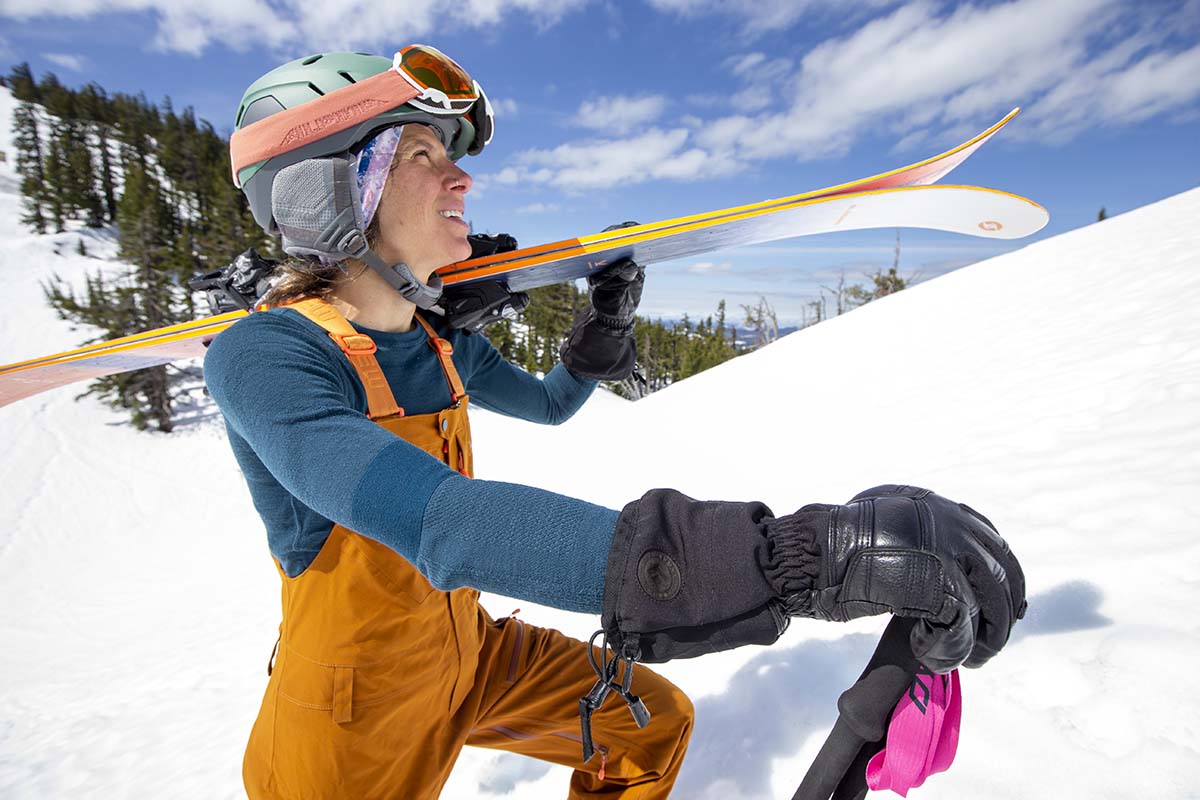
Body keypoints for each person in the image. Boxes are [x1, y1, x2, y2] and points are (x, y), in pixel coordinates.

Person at [208, 45, 1027, 800]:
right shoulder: (266, 356)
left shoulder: (436, 341)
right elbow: (440, 520)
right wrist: (789, 559)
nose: (460, 180)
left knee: (647, 728)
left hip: (468, 652)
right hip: (352, 710)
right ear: (326, 193)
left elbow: (553, 405)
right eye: (422, 154)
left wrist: (600, 332)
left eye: (451, 157)